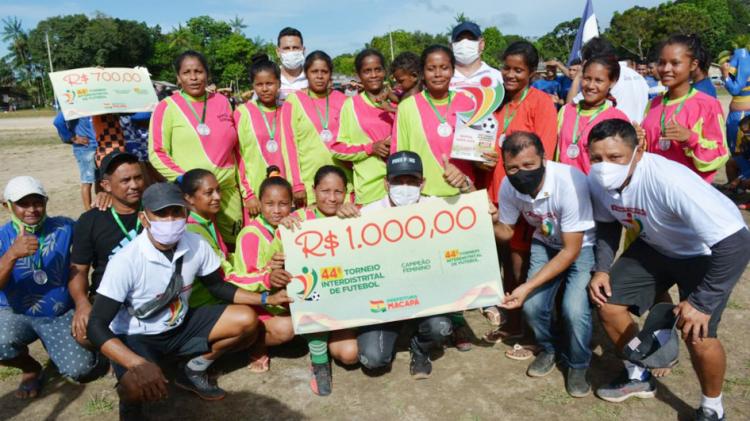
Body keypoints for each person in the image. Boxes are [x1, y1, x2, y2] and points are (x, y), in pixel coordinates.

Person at [586, 119, 750, 421]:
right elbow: (608, 222)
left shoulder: (668, 181)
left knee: (698, 335)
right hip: (655, 246)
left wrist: (702, 303)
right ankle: (639, 374)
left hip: (703, 252)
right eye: (596, 158)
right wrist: (601, 268)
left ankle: (712, 407)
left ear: (639, 151)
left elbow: (737, 244)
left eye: (615, 157)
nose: (603, 166)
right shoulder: (596, 180)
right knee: (607, 303)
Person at [86, 183, 290, 419]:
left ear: (186, 213)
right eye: (161, 213)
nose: (170, 220)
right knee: (133, 385)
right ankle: (131, 409)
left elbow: (219, 287)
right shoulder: (126, 261)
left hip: (180, 325)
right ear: (144, 218)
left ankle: (192, 369)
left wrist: (266, 297)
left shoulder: (196, 243)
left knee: (246, 319)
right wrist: (135, 363)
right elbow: (96, 325)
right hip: (137, 336)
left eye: (176, 212)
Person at [494, 132, 595, 398]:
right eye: (513, 167)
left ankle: (577, 364)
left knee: (574, 309)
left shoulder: (570, 182)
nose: (521, 173)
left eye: (529, 165)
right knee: (533, 306)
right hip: (545, 242)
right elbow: (506, 231)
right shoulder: (508, 185)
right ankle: (548, 349)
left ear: (544, 159)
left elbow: (570, 251)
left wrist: (527, 285)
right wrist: (490, 221)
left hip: (579, 248)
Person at [336, 151, 452, 379]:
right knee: (373, 360)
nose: (405, 186)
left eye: (412, 181)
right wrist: (340, 220)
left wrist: (479, 201)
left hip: (426, 296)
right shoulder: (366, 215)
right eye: (399, 180)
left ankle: (420, 346)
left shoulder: (436, 209)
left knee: (441, 328)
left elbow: (469, 221)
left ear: (423, 183)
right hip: (384, 304)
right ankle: (395, 330)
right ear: (386, 183)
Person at [483, 41, 558, 342]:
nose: (510, 75)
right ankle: (512, 322)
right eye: (506, 68)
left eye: (518, 70)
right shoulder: (495, 101)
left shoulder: (540, 102)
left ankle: (526, 330)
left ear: (531, 72)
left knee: (519, 265)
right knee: (501, 261)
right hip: (494, 192)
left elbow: (545, 153)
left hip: (522, 197)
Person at [1, 176, 102, 399]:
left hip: (60, 313)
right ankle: (30, 368)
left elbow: (95, 232)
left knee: (81, 371)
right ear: (7, 205)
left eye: (38, 202)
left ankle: (57, 344)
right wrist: (11, 255)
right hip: (16, 313)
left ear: (46, 201)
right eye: (23, 204)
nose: (32, 210)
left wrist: (104, 200)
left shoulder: (65, 227)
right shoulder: (1, 238)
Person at [274, 166, 359, 396]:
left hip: (344, 297)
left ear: (347, 192)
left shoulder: (353, 215)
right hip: (313, 299)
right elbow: (275, 258)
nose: (332, 198)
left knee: (350, 355)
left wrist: (355, 216)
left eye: (338, 192)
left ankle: (330, 336)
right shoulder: (298, 221)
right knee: (313, 291)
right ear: (313, 190)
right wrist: (284, 234)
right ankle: (318, 356)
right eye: (325, 191)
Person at [148, 50, 243, 246]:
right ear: (178, 77)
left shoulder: (223, 102)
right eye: (187, 72)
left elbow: (236, 148)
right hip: (191, 194)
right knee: (198, 245)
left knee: (235, 242)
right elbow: (157, 152)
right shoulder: (166, 107)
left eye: (198, 71)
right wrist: (185, 180)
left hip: (226, 191)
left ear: (207, 74)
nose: (193, 77)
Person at [69, 151, 145, 347]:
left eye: (138, 177)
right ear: (106, 186)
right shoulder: (90, 220)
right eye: (125, 180)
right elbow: (79, 269)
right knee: (84, 335)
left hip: (150, 291)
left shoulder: (157, 210)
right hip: (110, 296)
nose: (134, 185)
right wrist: (82, 303)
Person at [228, 176, 296, 373]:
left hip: (283, 298)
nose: (276, 210)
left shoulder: (292, 226)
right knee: (287, 329)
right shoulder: (251, 234)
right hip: (260, 305)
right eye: (269, 204)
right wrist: (269, 273)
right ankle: (257, 344)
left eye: (283, 204)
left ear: (292, 204)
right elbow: (242, 281)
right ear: (259, 203)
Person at [641, 35, 728, 182]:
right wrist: (638, 140)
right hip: (655, 190)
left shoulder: (707, 105)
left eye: (675, 63)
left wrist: (690, 138)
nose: (666, 69)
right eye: (661, 63)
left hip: (690, 192)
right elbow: (647, 150)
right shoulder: (653, 103)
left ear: (693, 65)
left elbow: (720, 154)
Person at [281, 50, 350, 207]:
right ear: (306, 73)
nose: (319, 76)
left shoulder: (344, 101)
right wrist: (297, 184)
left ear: (330, 74)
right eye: (314, 71)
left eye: (324, 72)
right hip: (309, 185)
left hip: (342, 184)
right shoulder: (294, 101)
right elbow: (289, 146)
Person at [329, 49, 394, 205]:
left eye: (378, 69)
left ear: (384, 71)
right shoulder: (351, 105)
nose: (373, 75)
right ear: (358, 76)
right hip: (371, 193)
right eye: (367, 71)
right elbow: (337, 149)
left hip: (403, 188)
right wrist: (370, 148)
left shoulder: (398, 103)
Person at [556, 55, 629, 174]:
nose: (590, 86)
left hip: (596, 190)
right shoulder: (566, 111)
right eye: (587, 78)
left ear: (612, 82)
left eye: (598, 81)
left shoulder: (617, 118)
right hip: (564, 189)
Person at [236, 54, 287, 221]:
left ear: (279, 83)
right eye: (259, 84)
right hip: (256, 197)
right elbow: (238, 157)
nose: (265, 89)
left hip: (286, 195)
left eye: (270, 83)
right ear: (253, 86)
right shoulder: (242, 113)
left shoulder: (288, 110)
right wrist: (248, 194)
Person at [180, 169, 234, 308]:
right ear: (189, 198)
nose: (217, 197)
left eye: (218, 190)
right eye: (209, 193)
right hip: (207, 305)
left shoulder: (207, 220)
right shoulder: (193, 231)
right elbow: (225, 273)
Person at [569, 38, 649, 124]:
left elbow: (570, 110)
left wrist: (578, 76)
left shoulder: (604, 79)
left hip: (614, 134)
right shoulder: (637, 76)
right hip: (635, 132)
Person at [53, 113, 97, 210]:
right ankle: (88, 212)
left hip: (100, 146)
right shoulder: (75, 105)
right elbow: (58, 122)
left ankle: (101, 207)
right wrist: (72, 138)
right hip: (85, 148)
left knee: (100, 179)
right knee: (87, 181)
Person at [448, 21, 503, 91]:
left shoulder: (498, 78)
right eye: (459, 39)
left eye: (471, 38)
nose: (464, 43)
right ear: (451, 46)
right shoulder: (441, 79)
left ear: (482, 44)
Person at [722, 47, 750, 155]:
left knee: (738, 152)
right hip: (739, 113)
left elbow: (734, 89)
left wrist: (725, 74)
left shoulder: (741, 63)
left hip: (741, 116)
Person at [276, 27, 308, 101]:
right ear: (278, 52)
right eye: (286, 48)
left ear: (303, 50)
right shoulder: (270, 78)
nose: (291, 52)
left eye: (295, 48)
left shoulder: (312, 78)